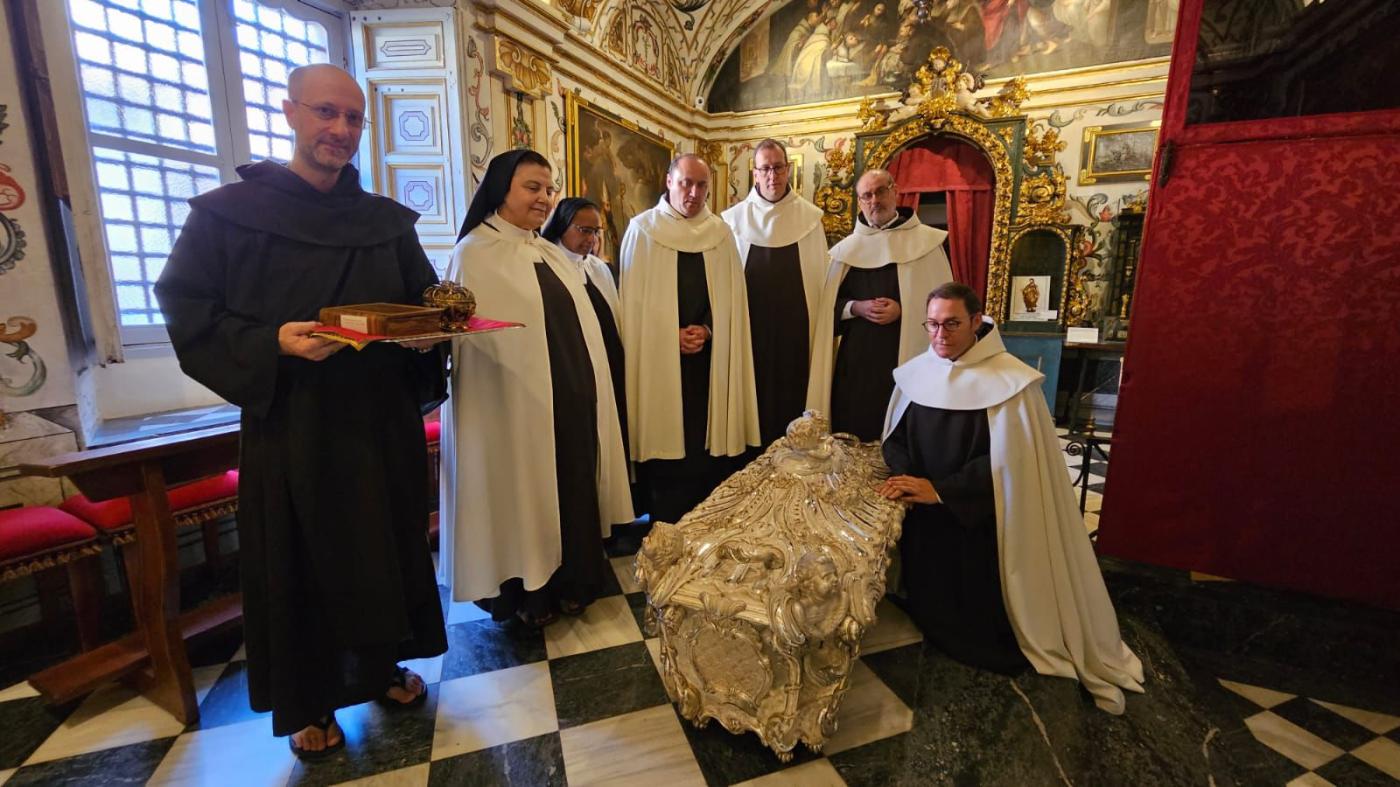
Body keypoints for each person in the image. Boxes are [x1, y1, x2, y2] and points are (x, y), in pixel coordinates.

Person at [154, 64, 446, 760]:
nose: (340, 130)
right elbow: (189, 310)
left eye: (352, 119)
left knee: (385, 553)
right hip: (295, 425)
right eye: (325, 113)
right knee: (302, 562)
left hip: (379, 423)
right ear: (289, 113)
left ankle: (379, 669)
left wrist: (433, 330)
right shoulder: (228, 214)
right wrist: (271, 343)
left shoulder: (384, 222)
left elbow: (423, 298)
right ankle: (307, 700)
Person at [880, 282, 1145, 714]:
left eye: (951, 324)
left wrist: (942, 491)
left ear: (976, 321)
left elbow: (1010, 463)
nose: (940, 335)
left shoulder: (1011, 381)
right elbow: (895, 436)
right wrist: (909, 477)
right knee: (927, 594)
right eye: (931, 324)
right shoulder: (918, 371)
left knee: (978, 614)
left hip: (981, 521)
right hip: (925, 517)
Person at [438, 151, 633, 629]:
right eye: (532, 187)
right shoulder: (476, 252)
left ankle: (573, 581)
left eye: (549, 188)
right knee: (524, 492)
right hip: (513, 408)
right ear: (502, 188)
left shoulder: (544, 250)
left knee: (570, 488)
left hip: (568, 404)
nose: (544, 198)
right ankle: (527, 595)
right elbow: (477, 347)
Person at [619, 153, 760, 524]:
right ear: (668, 181)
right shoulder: (643, 229)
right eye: (686, 183)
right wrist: (670, 336)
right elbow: (632, 305)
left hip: (708, 360)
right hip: (659, 361)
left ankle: (707, 521)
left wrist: (709, 329)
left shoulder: (719, 233)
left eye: (701, 186)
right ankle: (664, 525)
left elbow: (731, 300)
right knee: (666, 445)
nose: (694, 193)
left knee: (705, 445)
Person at [807, 168, 953, 441]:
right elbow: (828, 308)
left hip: (907, 353)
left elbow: (943, 305)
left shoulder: (927, 243)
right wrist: (856, 308)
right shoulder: (846, 250)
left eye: (880, 191)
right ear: (860, 202)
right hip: (857, 358)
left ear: (894, 191)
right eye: (866, 196)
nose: (874, 200)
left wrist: (904, 310)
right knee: (853, 430)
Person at [721, 139, 830, 446]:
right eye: (765, 168)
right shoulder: (731, 221)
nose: (772, 175)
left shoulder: (810, 219)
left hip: (795, 333)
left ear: (787, 169)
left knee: (792, 395)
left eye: (778, 167)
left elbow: (820, 280)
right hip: (748, 330)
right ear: (754, 174)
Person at [540, 196, 641, 522]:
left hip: (608, 367)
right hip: (573, 375)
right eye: (583, 230)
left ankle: (611, 516)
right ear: (561, 226)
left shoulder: (599, 269)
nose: (592, 240)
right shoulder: (548, 265)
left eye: (596, 232)